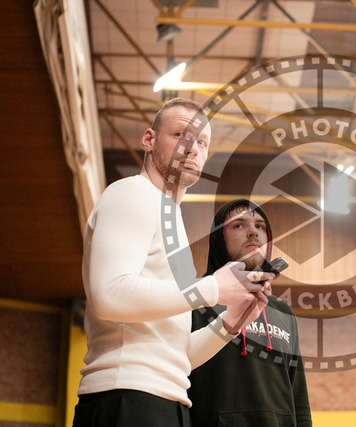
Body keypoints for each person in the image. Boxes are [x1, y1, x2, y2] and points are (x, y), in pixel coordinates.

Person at [73, 98, 273, 426]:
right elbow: (109, 296)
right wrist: (211, 288)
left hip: (166, 401)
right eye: (180, 135)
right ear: (149, 140)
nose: (192, 148)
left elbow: (178, 358)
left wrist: (230, 322)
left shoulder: (172, 223)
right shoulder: (133, 193)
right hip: (125, 397)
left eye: (202, 141)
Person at [188, 199, 313, 427]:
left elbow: (299, 396)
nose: (253, 232)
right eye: (239, 225)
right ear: (219, 238)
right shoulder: (195, 299)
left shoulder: (283, 311)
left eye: (260, 226)